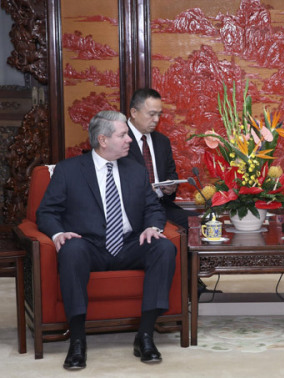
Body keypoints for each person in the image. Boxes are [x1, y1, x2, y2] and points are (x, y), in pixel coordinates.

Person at [37, 111, 176, 370]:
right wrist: (58, 234)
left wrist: (152, 227)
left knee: (164, 246)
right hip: (88, 246)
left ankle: (145, 335)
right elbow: (46, 212)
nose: (129, 140)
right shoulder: (69, 170)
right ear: (103, 140)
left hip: (129, 243)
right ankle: (77, 340)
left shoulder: (135, 170)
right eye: (123, 135)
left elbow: (153, 208)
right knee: (71, 248)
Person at [126, 88, 197, 231]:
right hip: (133, 210)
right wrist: (144, 190)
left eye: (159, 114)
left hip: (162, 205)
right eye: (151, 114)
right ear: (134, 112)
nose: (156, 120)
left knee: (199, 221)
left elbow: (171, 173)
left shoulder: (162, 141)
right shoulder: (119, 139)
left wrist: (170, 188)